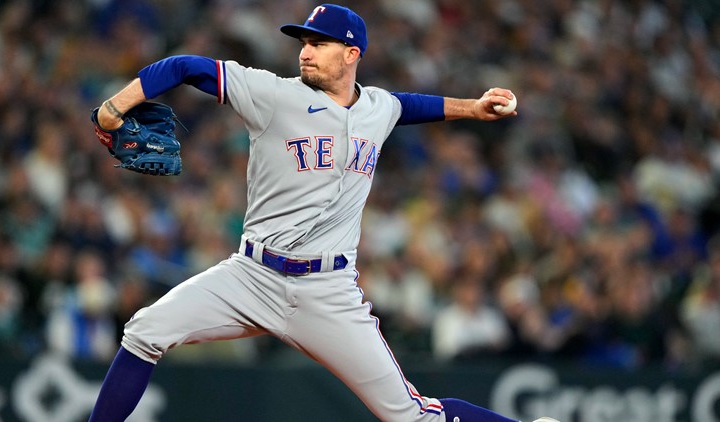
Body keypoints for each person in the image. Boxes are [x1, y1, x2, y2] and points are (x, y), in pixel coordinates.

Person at [88, 4, 556, 422]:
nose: (305, 52)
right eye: (303, 43)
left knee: (414, 418)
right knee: (145, 331)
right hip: (251, 276)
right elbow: (184, 66)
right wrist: (113, 108)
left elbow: (410, 107)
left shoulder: (378, 107)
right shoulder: (273, 95)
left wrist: (473, 108)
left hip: (327, 292)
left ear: (352, 54)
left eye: (318, 43)